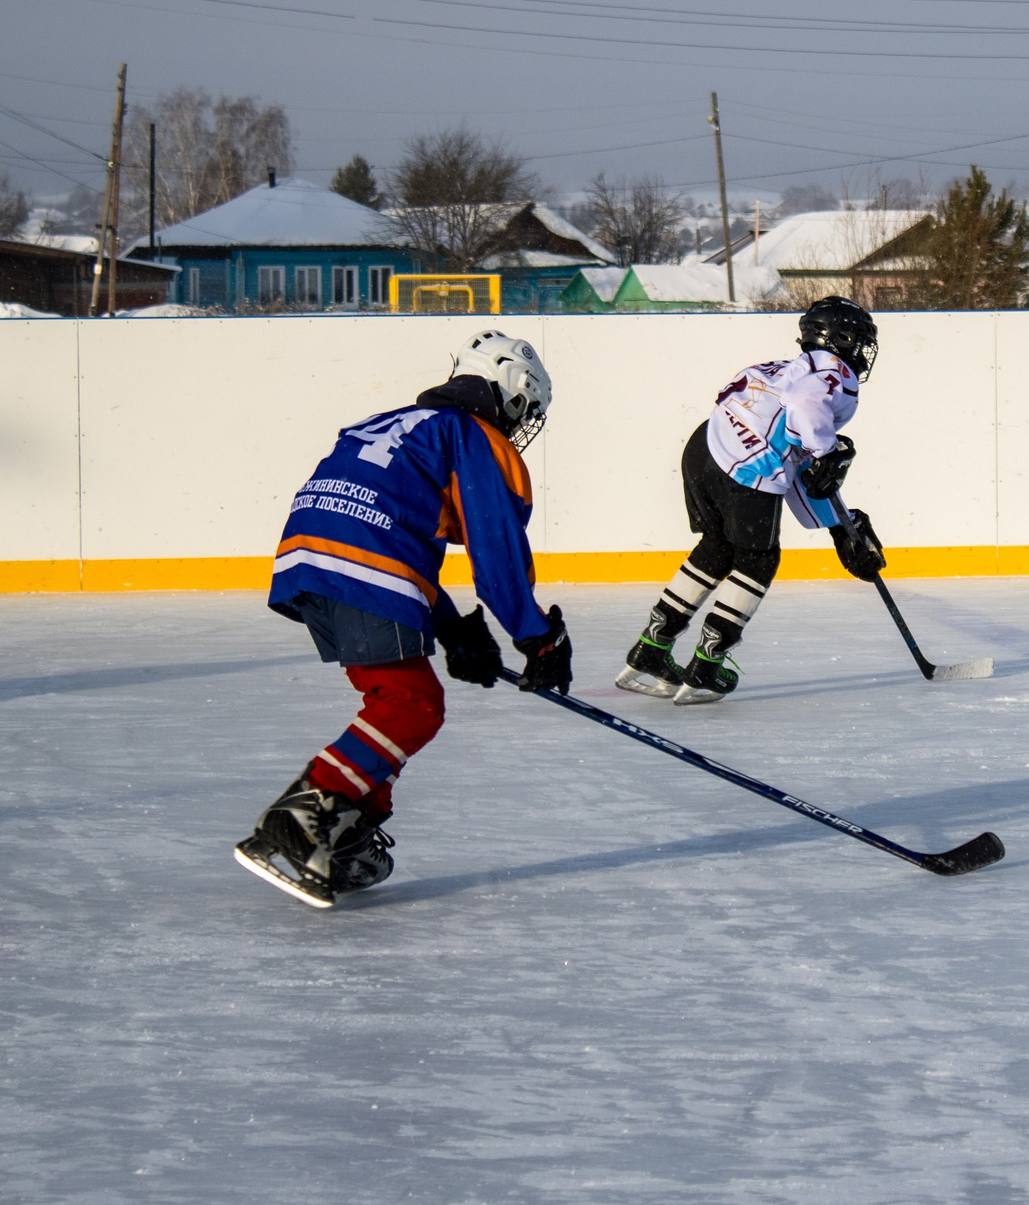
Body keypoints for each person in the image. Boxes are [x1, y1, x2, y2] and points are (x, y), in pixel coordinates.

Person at [235, 329, 574, 907]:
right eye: (521, 409)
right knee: (411, 704)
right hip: (367, 561)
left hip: (309, 556)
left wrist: (453, 628)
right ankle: (300, 820)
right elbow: (496, 553)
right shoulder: (473, 435)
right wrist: (537, 635)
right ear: (510, 390)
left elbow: (389, 532)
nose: (518, 425)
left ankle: (346, 832)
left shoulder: (395, 422)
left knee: (399, 694)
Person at [618, 294, 887, 704]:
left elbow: (798, 467)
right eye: (860, 341)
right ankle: (707, 665)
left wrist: (839, 524)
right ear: (841, 339)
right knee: (758, 560)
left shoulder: (782, 368)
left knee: (719, 547)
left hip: (706, 447)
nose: (862, 353)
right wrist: (827, 451)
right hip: (747, 463)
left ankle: (650, 650)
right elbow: (803, 424)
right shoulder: (834, 371)